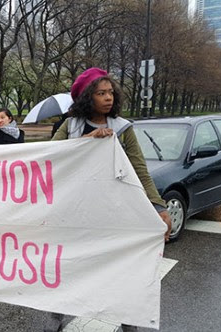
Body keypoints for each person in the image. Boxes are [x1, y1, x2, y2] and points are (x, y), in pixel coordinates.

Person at [47, 67, 172, 332]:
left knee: (124, 266)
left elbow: (140, 169)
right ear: (86, 97)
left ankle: (129, 321)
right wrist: (85, 141)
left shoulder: (123, 129)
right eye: (101, 93)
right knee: (68, 266)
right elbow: (50, 159)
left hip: (116, 213)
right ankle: (55, 319)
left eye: (110, 92)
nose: (108, 98)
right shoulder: (70, 127)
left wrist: (158, 207)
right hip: (75, 212)